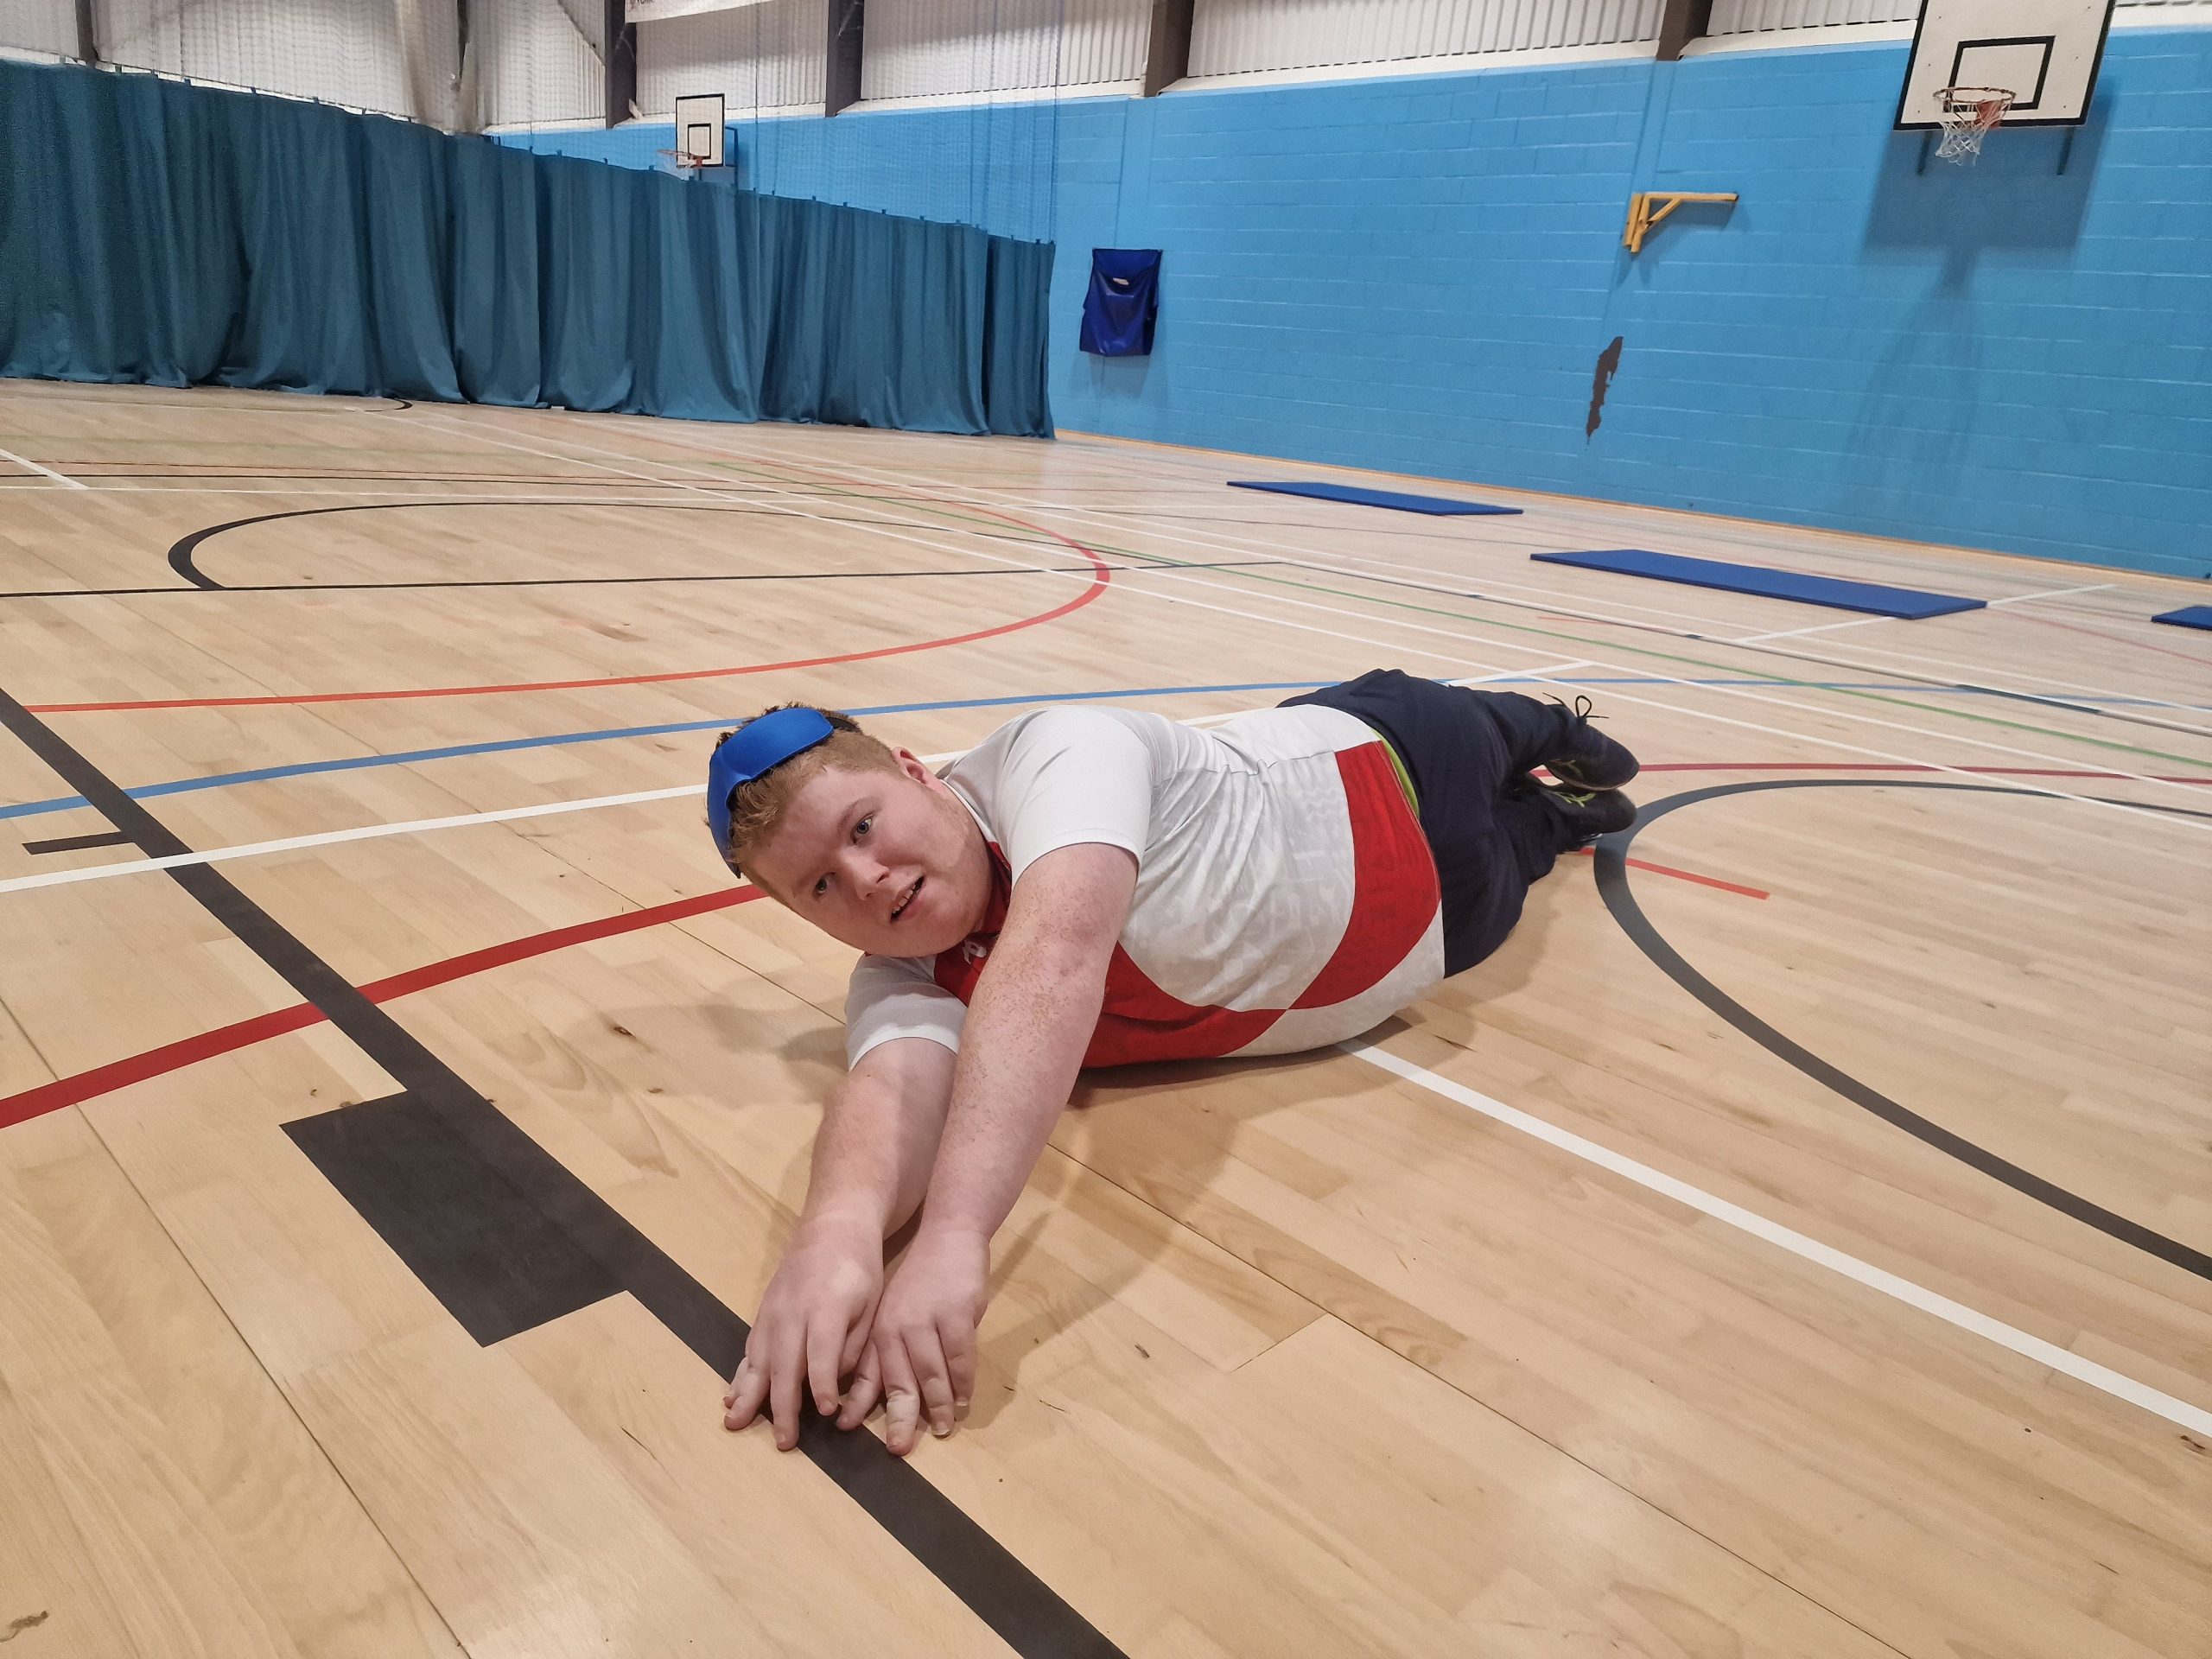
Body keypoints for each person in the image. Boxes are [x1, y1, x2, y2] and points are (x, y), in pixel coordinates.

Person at [712, 669, 1637, 1456]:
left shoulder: (1057, 752)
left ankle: (1558, 724)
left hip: (1398, 760)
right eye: (820, 885)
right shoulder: (901, 971)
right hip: (1431, 932)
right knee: (1534, 845)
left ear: (916, 773)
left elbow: (1057, 952)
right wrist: (835, 1236)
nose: (864, 879)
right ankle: (1557, 815)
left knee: (1516, 731)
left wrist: (954, 1234)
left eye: (863, 826)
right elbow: (894, 1086)